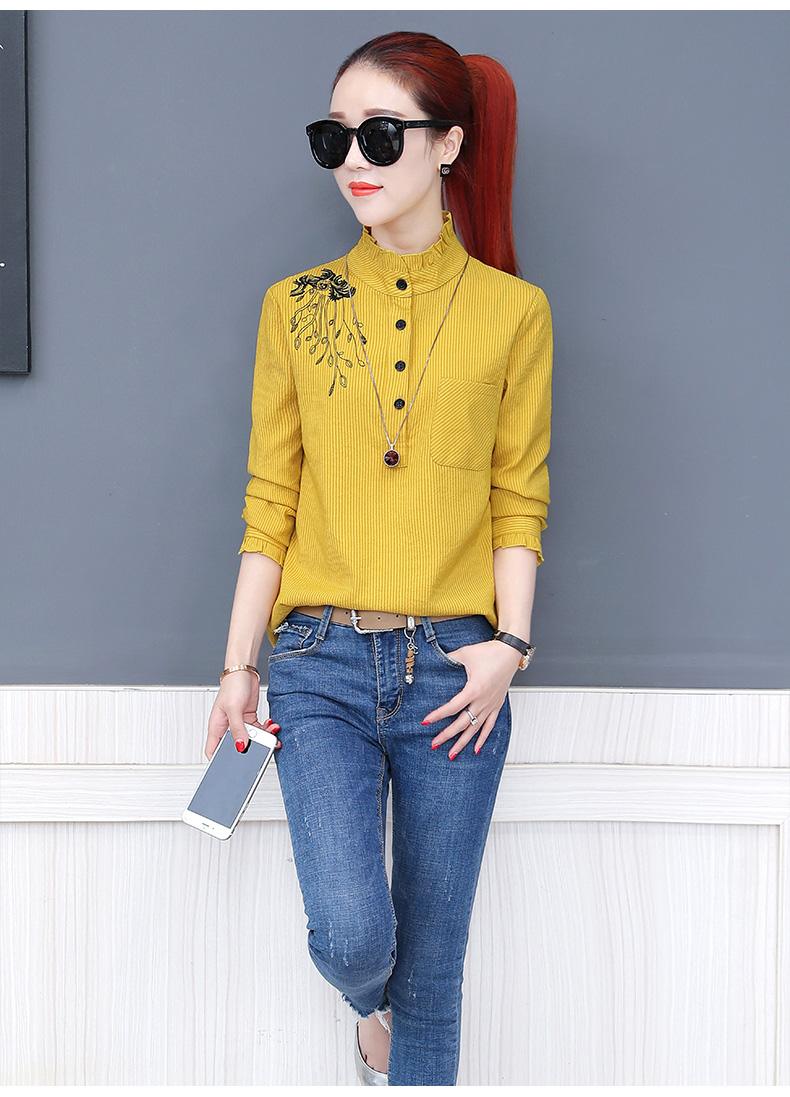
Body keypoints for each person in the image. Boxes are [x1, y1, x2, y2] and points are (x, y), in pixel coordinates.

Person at [205, 30, 552, 1087]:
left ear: (447, 144)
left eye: (382, 134)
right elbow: (270, 501)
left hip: (455, 671)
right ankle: (369, 1015)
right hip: (316, 665)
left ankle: (403, 1038)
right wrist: (238, 667)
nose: (354, 158)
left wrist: (509, 645)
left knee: (435, 975)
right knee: (356, 936)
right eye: (335, 137)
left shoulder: (514, 314)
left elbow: (517, 495)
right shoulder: (295, 306)